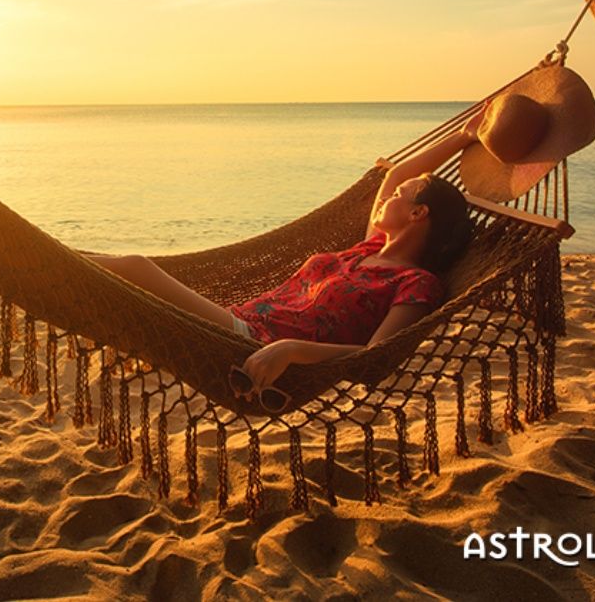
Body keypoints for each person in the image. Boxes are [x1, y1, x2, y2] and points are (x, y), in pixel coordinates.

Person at [90, 114, 482, 408]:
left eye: (403, 196)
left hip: (250, 344)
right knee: (126, 275)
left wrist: (292, 350)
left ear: (418, 214)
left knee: (136, 268)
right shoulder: (368, 249)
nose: (389, 195)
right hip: (233, 324)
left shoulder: (416, 284)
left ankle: (36, 263)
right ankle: (50, 261)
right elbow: (399, 172)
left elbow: (376, 358)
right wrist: (464, 136)